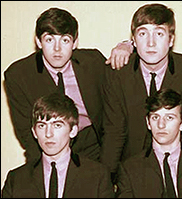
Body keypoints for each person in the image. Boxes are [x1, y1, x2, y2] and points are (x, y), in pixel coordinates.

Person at [100, 3, 182, 183]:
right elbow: (114, 131)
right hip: (133, 169)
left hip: (180, 166)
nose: (150, 43)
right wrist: (106, 180)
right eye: (143, 34)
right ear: (134, 41)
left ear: (171, 39)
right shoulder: (118, 73)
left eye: (159, 34)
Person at [3, 7, 128, 164]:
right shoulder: (19, 75)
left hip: (94, 146)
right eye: (49, 39)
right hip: (49, 152)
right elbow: (27, 134)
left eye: (65, 40)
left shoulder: (93, 62)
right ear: (38, 42)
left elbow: (129, 76)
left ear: (75, 43)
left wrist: (127, 45)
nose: (57, 49)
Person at [1, 93, 114, 198]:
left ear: (73, 131)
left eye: (57, 125)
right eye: (41, 126)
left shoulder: (97, 175)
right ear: (34, 132)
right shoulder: (16, 179)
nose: (48, 134)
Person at [116, 88, 182, 198]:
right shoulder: (130, 170)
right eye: (155, 117)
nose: (161, 125)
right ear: (148, 123)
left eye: (169, 117)